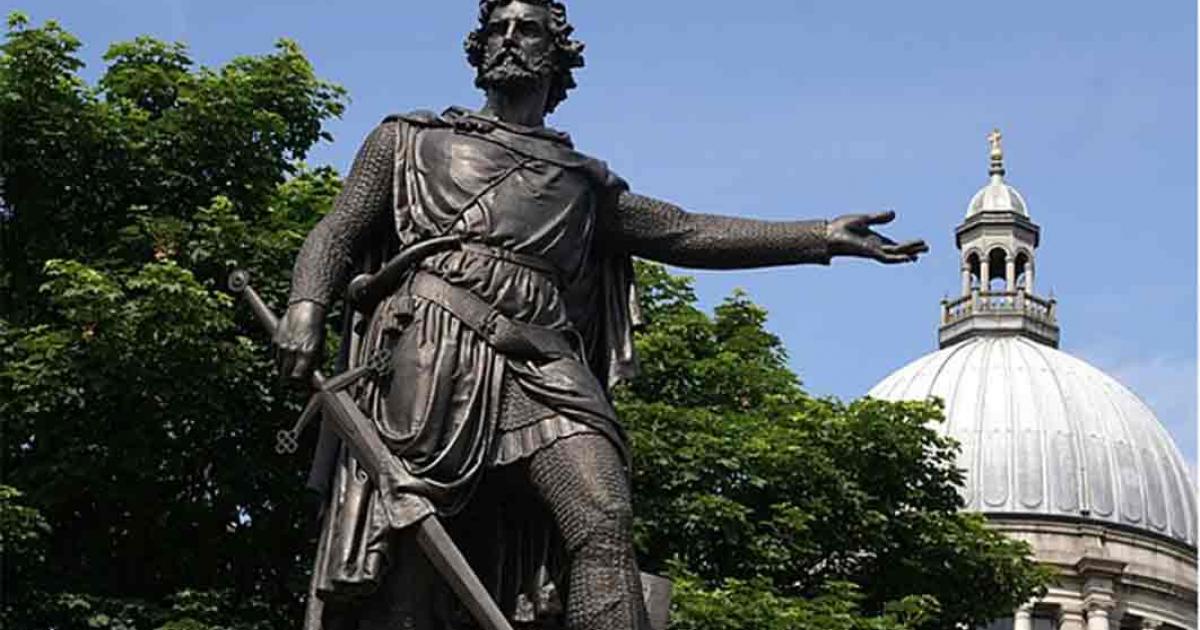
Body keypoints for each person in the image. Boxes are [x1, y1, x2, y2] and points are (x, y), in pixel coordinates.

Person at [274, 1, 928, 628]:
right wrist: (307, 305)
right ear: (476, 53)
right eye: (496, 27)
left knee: (602, 515)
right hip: (433, 347)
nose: (508, 36)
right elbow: (336, 231)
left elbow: (684, 232)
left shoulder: (581, 183)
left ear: (555, 56)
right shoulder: (409, 140)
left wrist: (817, 235)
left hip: (543, 362)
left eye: (527, 28)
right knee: (413, 542)